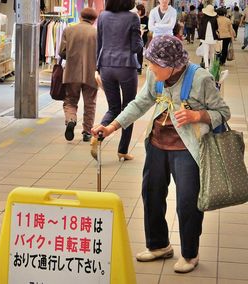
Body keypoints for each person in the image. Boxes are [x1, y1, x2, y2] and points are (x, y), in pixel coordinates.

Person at [91, 35, 230, 274]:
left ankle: (190, 253)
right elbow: (139, 103)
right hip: (156, 144)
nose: (150, 69)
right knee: (151, 194)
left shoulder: (200, 78)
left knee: (187, 202)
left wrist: (199, 116)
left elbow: (223, 111)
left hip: (187, 148)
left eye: (155, 64)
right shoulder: (155, 78)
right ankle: (158, 245)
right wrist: (112, 127)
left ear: (173, 64)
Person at [92, 0, 143, 161]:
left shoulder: (103, 16)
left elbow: (99, 44)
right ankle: (122, 150)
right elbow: (136, 47)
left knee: (113, 108)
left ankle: (98, 135)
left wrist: (97, 67)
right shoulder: (133, 18)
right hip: (126, 66)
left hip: (106, 65)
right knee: (129, 108)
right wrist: (140, 37)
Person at [59, 8, 98, 142]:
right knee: (90, 103)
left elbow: (62, 52)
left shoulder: (69, 30)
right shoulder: (97, 33)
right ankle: (87, 132)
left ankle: (71, 119)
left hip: (71, 72)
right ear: (94, 20)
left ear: (81, 17)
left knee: (70, 100)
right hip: (91, 73)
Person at [198, 5, 218, 69]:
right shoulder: (215, 19)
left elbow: (200, 28)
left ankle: (206, 67)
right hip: (213, 38)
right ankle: (212, 66)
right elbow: (216, 28)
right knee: (212, 53)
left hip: (204, 38)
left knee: (205, 53)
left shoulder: (203, 18)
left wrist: (200, 36)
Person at [136, 4, 149, 75]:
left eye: (139, 10)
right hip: (135, 37)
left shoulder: (146, 18)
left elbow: (148, 27)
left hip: (143, 37)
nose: (138, 12)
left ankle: (139, 69)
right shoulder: (135, 17)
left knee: (139, 53)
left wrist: (144, 30)